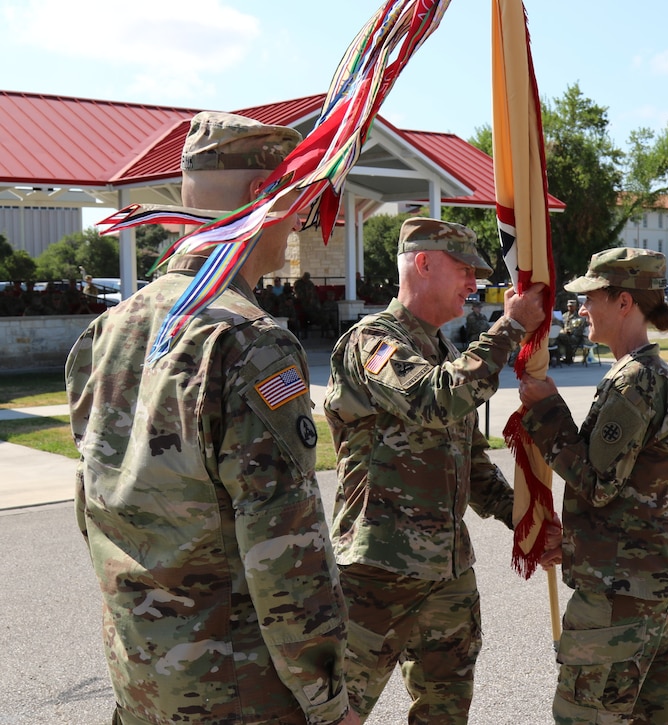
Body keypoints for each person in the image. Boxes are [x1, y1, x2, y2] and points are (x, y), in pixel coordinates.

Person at [66, 111, 358, 725]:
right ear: (262, 197)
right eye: (298, 196)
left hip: (142, 681)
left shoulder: (108, 331)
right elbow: (284, 548)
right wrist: (329, 698)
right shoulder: (248, 341)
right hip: (237, 689)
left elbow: (92, 505)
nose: (301, 217)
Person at [323, 217, 556, 722]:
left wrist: (524, 519)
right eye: (465, 270)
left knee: (446, 711)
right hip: (378, 569)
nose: (475, 284)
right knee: (335, 711)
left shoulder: (445, 352)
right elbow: (434, 399)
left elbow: (471, 465)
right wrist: (510, 326)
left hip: (446, 571)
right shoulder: (373, 343)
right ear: (423, 264)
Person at [518, 248, 668, 724]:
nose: (581, 309)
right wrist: (577, 543)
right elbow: (635, 492)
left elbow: (598, 483)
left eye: (590, 298)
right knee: (662, 715)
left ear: (624, 303)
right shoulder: (650, 372)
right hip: (656, 577)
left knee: (585, 715)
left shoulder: (634, 379)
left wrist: (546, 411)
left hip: (624, 590)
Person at [555, 298, 587, 364]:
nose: (570, 307)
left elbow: (580, 328)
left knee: (560, 337)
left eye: (572, 306)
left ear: (575, 307)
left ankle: (568, 359)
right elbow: (561, 326)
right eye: (569, 306)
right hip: (564, 335)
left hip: (575, 336)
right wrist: (562, 330)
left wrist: (570, 332)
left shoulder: (579, 316)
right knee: (555, 338)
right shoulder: (564, 316)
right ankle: (557, 358)